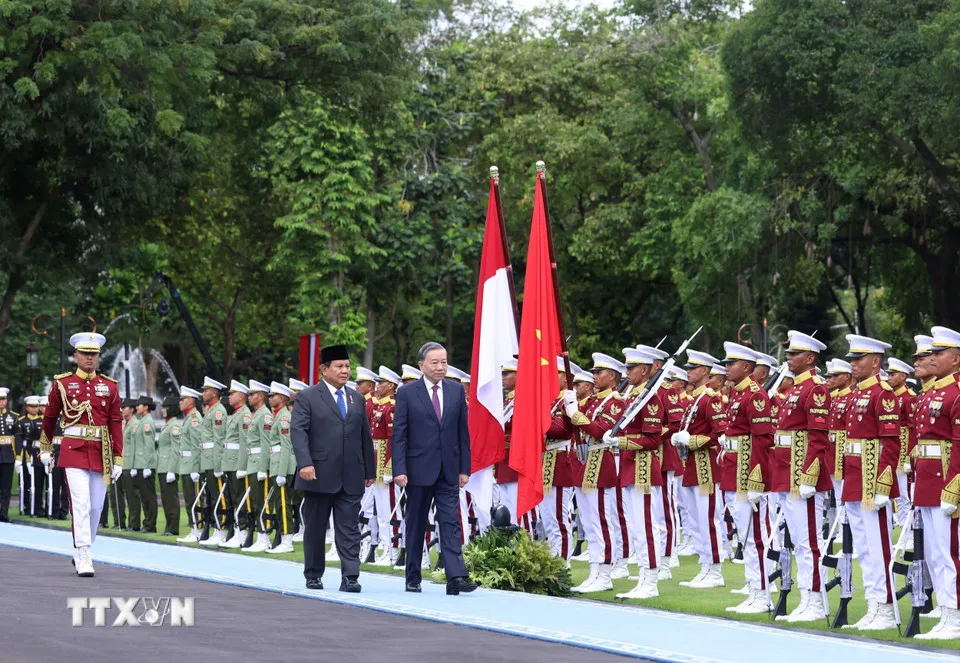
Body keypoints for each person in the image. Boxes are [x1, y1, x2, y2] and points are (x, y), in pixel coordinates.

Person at [392, 341, 475, 595]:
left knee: (451, 523)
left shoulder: (455, 391)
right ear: (422, 366)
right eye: (435, 362)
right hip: (417, 470)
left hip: (448, 469)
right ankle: (413, 576)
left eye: (444, 362)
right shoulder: (407, 393)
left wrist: (464, 468)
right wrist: (399, 469)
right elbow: (399, 435)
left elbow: (463, 432)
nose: (441, 367)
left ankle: (456, 577)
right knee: (416, 524)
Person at [291, 345, 376, 592]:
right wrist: (305, 463)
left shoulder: (356, 398)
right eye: (339, 366)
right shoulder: (308, 397)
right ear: (324, 369)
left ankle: (350, 576)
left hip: (351, 474)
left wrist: (369, 470)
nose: (345, 371)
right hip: (317, 473)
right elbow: (298, 432)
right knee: (316, 528)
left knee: (349, 528)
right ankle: (314, 574)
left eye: (347, 366)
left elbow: (364, 436)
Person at [38, 332, 124, 576]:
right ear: (75, 355)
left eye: (93, 354)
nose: (89, 358)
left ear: (98, 357)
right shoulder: (62, 384)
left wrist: (118, 458)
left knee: (96, 507)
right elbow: (50, 417)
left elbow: (116, 422)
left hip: (100, 452)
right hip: (73, 449)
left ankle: (83, 549)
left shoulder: (109, 386)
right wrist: (45, 448)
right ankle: (84, 552)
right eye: (85, 353)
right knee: (81, 503)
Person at [841, 333, 901, 630]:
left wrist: (883, 486)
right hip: (854, 476)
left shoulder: (883, 394)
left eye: (858, 359)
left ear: (875, 362)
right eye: (851, 359)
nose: (853, 364)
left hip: (871, 479)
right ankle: (874, 604)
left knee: (878, 548)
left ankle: (886, 608)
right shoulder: (855, 394)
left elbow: (890, 444)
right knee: (864, 548)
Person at [718, 342, 774, 614]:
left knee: (754, 538)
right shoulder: (738, 394)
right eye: (727, 363)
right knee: (744, 536)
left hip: (746, 474)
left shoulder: (755, 395)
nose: (727, 367)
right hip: (732, 469)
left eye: (732, 363)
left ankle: (761, 594)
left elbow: (762, 441)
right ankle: (753, 590)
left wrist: (756, 482)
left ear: (747, 367)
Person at [563, 353, 626, 593]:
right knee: (589, 523)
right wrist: (569, 405)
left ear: (612, 376)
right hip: (585, 463)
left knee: (602, 522)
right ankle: (594, 571)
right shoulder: (593, 401)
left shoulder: (615, 402)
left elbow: (599, 429)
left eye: (599, 372)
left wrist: (574, 413)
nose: (594, 376)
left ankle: (605, 573)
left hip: (601, 462)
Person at [912, 326, 960, 639]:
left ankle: (954, 616)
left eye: (940, 353)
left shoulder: (956, 393)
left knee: (948, 552)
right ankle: (945, 612)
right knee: (934, 553)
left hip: (945, 480)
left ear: (955, 359)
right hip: (927, 480)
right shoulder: (931, 393)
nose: (934, 357)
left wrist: (953, 488)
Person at [672, 349, 727, 590]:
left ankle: (715, 570)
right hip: (692, 466)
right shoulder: (695, 398)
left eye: (693, 368)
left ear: (704, 371)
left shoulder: (711, 398)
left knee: (708, 521)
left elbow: (720, 435)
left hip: (706, 467)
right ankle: (705, 566)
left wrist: (690, 440)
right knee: (695, 520)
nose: (688, 372)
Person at [242, 380, 273, 552]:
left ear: (261, 396)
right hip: (252, 463)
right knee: (255, 501)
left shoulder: (264, 415)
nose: (249, 397)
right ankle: (260, 536)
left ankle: (265, 536)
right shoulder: (256, 414)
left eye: (252, 394)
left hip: (259, 463)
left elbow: (265, 443)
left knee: (263, 502)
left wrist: (263, 468)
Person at [220, 380, 252, 548]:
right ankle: (238, 531)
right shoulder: (236, 414)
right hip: (230, 462)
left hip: (237, 463)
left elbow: (245, 443)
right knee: (233, 498)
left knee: (241, 499)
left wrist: (242, 466)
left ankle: (244, 532)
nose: (229, 397)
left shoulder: (245, 415)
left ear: (241, 396)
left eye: (232, 394)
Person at [266, 381, 296, 554]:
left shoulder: (284, 417)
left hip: (282, 466)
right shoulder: (278, 415)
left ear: (283, 398)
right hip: (277, 464)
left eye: (274, 395)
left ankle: (287, 540)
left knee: (284, 504)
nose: (270, 398)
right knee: (279, 503)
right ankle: (283, 538)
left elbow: (286, 446)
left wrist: (282, 472)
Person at [198, 376, 228, 546]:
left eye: (206, 390)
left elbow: (219, 440)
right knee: (210, 496)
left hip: (213, 459)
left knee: (219, 496)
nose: (203, 393)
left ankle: (221, 529)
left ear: (215, 393)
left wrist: (218, 465)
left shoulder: (218, 411)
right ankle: (215, 527)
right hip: (207, 459)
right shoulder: (210, 410)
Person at [175, 386, 204, 543]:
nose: (180, 402)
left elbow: (197, 445)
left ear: (191, 401)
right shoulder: (188, 418)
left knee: (195, 500)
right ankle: (194, 528)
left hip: (191, 465)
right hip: (185, 464)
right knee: (188, 499)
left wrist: (195, 468)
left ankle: (198, 529)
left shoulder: (194, 418)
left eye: (183, 399)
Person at [132, 396, 158, 533]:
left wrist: (148, 465)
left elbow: (149, 446)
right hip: (140, 464)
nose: (137, 408)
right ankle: (147, 522)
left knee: (149, 496)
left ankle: (150, 524)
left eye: (139, 405)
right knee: (144, 496)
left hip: (146, 464)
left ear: (146, 407)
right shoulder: (142, 421)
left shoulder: (148, 422)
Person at [157, 396, 181, 536]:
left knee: (171, 499)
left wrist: (172, 470)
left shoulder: (174, 426)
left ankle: (173, 528)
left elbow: (175, 449)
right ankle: (168, 526)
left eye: (166, 408)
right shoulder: (168, 425)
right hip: (163, 467)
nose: (163, 410)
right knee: (166, 499)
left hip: (168, 468)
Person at [0, 387, 18, 522]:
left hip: (7, 455)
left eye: (3, 399)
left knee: (6, 487)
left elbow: (17, 437)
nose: (1, 402)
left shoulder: (13, 416)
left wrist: (18, 456)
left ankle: (4, 514)